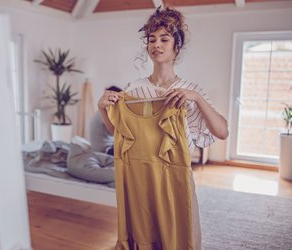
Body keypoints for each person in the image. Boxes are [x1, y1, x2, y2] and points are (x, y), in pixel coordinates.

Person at [98, 7, 228, 250]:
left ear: (176, 47)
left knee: (179, 237)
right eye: (151, 39)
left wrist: (196, 98)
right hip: (139, 176)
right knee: (144, 236)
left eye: (164, 39)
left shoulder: (188, 89)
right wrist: (103, 109)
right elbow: (119, 133)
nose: (156, 45)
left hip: (174, 176)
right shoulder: (133, 89)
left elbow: (222, 131)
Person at [90, 85, 122, 155]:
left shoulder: (103, 111)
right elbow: (115, 132)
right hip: (104, 149)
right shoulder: (106, 111)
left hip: (103, 146)